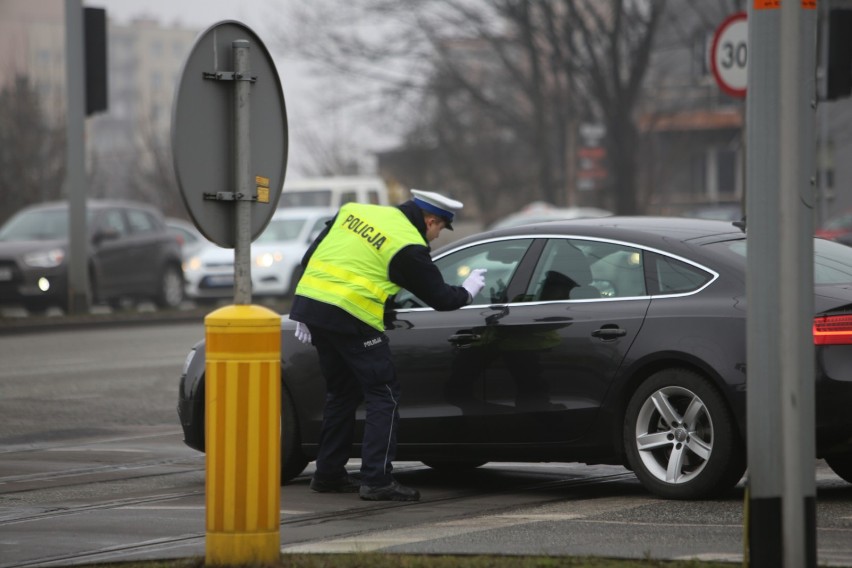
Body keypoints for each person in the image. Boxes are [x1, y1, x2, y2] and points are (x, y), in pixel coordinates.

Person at [289, 189, 487, 501]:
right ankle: (377, 480)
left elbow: (310, 258)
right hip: (353, 318)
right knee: (384, 394)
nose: (434, 238)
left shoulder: (355, 211)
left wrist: (304, 309)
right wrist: (468, 291)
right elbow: (441, 298)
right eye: (438, 230)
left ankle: (328, 474)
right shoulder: (408, 245)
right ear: (432, 220)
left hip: (313, 310)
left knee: (341, 392)